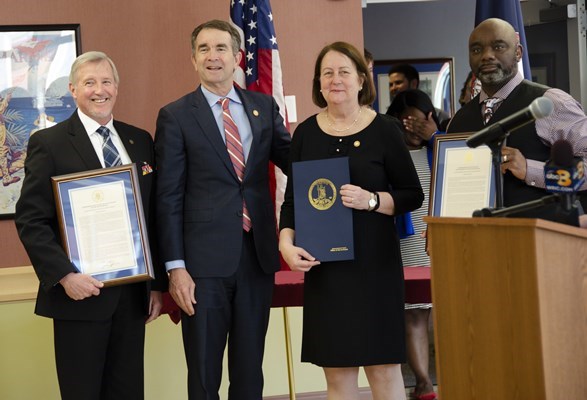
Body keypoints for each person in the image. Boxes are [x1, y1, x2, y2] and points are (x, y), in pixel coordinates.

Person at [14, 51, 164, 400]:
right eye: (89, 83)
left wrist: (156, 285)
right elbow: (31, 220)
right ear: (73, 90)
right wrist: (66, 275)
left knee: (128, 393)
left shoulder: (139, 140)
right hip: (79, 296)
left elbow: (152, 216)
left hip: (131, 298)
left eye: (107, 81)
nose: (100, 90)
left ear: (117, 88)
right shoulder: (48, 143)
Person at [154, 19, 291, 400]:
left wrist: (339, 148)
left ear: (238, 58)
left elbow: (294, 160)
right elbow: (167, 197)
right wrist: (175, 268)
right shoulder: (176, 116)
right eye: (204, 49)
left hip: (257, 259)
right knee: (203, 374)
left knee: (250, 373)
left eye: (221, 49)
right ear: (193, 59)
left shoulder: (263, 107)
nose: (213, 56)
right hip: (201, 267)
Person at [279, 41, 424, 400]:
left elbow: (412, 194)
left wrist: (372, 200)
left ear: (361, 79)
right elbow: (293, 200)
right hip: (327, 272)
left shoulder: (385, 129)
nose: (335, 79)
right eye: (327, 73)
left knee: (384, 371)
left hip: (376, 269)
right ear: (318, 82)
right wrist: (285, 243)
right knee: (338, 375)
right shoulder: (305, 134)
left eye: (344, 71)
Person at [447, 18, 587, 217]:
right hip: (477, 242)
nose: (487, 56)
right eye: (477, 50)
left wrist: (530, 170)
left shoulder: (550, 103)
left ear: (518, 52)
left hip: (543, 239)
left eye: (498, 46)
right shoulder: (458, 121)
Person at [387, 89, 441, 400]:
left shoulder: (443, 147)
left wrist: (435, 137)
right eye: (408, 122)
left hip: (441, 241)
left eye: (422, 122)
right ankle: (423, 383)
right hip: (407, 245)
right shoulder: (390, 155)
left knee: (449, 315)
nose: (415, 129)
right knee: (415, 314)